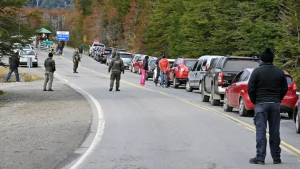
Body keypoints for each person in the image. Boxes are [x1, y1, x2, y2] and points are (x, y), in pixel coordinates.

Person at [248, 48, 288, 165]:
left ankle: (260, 157)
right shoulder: (279, 71)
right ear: (272, 59)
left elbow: (251, 88)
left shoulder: (257, 71)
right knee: (275, 131)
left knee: (261, 131)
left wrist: (255, 100)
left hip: (261, 103)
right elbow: (284, 88)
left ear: (262, 59)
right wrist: (278, 99)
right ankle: (276, 157)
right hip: (275, 104)